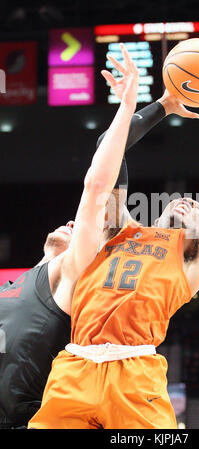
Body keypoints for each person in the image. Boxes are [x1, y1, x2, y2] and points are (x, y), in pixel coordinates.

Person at [28, 47, 199, 429]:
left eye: (195, 205)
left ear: (198, 232)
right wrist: (162, 104)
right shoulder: (117, 228)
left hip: (137, 376)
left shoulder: (194, 259)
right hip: (75, 369)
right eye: (182, 199)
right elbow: (109, 148)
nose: (186, 202)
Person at [0, 43, 140, 429]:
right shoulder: (13, 285)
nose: (74, 223)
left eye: (83, 229)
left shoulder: (69, 276)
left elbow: (98, 185)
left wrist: (132, 107)